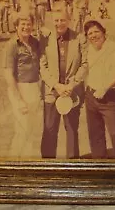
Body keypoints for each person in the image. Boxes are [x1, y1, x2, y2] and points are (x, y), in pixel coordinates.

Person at [39, 10, 87, 159]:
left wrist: (71, 85)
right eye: (56, 20)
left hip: (71, 92)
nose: (59, 23)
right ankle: (47, 164)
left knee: (72, 129)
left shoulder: (79, 38)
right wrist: (56, 85)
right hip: (52, 92)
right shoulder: (45, 38)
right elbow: (42, 66)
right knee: (49, 129)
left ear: (69, 20)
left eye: (62, 20)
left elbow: (85, 64)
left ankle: (73, 164)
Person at [83, 20, 115, 159]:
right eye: (90, 33)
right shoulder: (87, 50)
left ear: (104, 32)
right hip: (91, 96)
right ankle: (99, 164)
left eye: (96, 31)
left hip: (110, 97)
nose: (93, 35)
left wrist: (105, 88)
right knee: (95, 133)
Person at [3, 12, 42, 158]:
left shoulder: (35, 42)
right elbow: (8, 74)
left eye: (29, 24)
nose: (26, 27)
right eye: (23, 24)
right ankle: (13, 162)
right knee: (22, 128)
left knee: (31, 129)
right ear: (16, 26)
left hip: (34, 88)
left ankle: (28, 161)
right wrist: (18, 99)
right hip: (19, 89)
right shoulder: (11, 45)